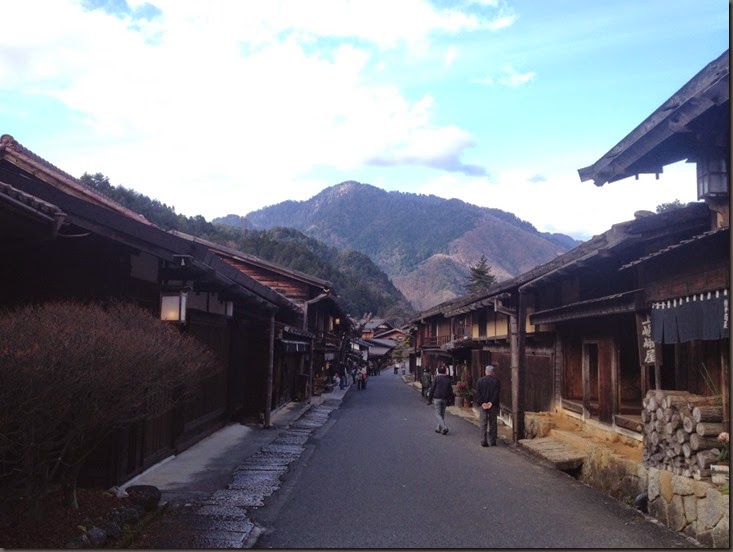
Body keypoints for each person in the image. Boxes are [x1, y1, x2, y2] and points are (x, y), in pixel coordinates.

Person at [475, 364, 501, 446]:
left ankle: (483, 441)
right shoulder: (496, 381)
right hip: (493, 405)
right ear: (493, 372)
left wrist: (482, 402)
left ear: (486, 372)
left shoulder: (480, 381)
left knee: (483, 422)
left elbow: (478, 393)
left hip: (482, 405)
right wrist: (491, 402)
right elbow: (496, 394)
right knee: (493, 423)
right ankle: (493, 441)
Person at [426, 364, 454, 435]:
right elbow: (450, 391)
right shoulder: (448, 379)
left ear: (438, 371)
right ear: (445, 371)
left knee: (438, 414)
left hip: (437, 397)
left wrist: (429, 399)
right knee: (442, 414)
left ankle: (444, 428)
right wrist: (451, 400)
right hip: (445, 398)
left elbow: (432, 389)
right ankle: (438, 428)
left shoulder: (436, 378)